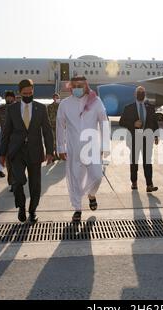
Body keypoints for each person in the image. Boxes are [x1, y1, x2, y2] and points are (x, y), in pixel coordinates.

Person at [0, 79, 54, 224]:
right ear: (20, 93)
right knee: (17, 182)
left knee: (35, 184)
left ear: (33, 91)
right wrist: (2, 154)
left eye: (30, 92)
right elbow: (6, 132)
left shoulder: (41, 108)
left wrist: (50, 151)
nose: (28, 95)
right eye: (25, 93)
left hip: (35, 151)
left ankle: (32, 211)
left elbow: (47, 131)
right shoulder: (12, 109)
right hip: (16, 151)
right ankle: (21, 207)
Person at [57, 76, 110, 223]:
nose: (77, 88)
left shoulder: (96, 101)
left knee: (97, 176)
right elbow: (60, 126)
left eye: (80, 85)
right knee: (75, 179)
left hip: (92, 147)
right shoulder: (65, 104)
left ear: (86, 86)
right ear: (70, 87)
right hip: (73, 148)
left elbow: (104, 123)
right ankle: (77, 209)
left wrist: (104, 146)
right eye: (74, 85)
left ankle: (91, 194)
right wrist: (61, 147)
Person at [119, 86, 159, 192]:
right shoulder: (129, 107)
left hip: (147, 138)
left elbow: (154, 122)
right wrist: (133, 124)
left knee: (148, 162)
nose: (141, 94)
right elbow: (121, 122)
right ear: (135, 94)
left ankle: (149, 185)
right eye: (139, 92)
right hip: (134, 138)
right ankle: (134, 182)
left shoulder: (150, 107)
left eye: (143, 92)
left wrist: (156, 135)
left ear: (145, 94)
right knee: (134, 162)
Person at [0, 90, 16, 191]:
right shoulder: (0, 110)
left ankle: (16, 181)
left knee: (18, 163)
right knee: (9, 163)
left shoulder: (19, 108)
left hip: (17, 140)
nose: (9, 99)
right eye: (7, 97)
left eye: (11, 97)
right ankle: (12, 183)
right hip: (6, 140)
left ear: (14, 98)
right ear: (5, 98)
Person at [47, 93, 61, 160]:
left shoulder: (61, 106)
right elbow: (47, 116)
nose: (56, 99)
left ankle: (58, 154)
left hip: (59, 125)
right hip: (52, 125)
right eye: (55, 97)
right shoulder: (50, 106)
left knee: (59, 140)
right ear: (53, 98)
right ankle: (53, 154)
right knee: (53, 140)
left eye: (57, 97)